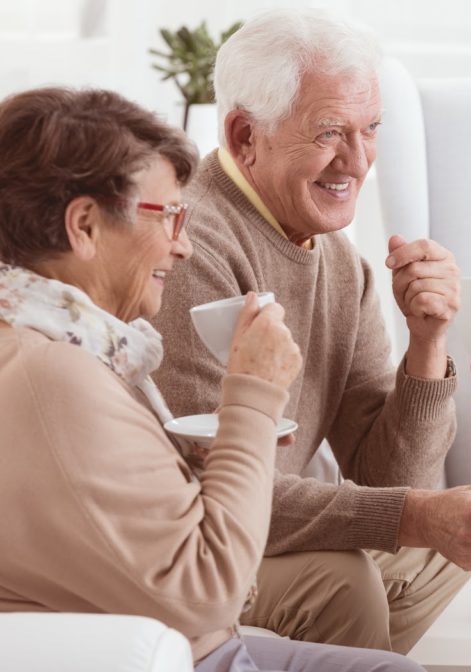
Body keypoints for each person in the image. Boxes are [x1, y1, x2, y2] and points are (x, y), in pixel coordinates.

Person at [150, 8, 471, 655]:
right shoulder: (190, 246)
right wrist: (416, 515)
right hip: (191, 545)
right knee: (344, 582)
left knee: (458, 556)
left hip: (254, 530)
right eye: (331, 132)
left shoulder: (340, 263)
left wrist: (426, 343)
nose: (358, 162)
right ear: (245, 134)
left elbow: (388, 471)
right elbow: (214, 492)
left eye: (371, 130)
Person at [0, 87, 423, 672]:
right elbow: (210, 591)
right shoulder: (57, 374)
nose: (184, 245)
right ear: (86, 226)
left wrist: (427, 344)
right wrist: (252, 397)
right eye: (170, 216)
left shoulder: (64, 347)